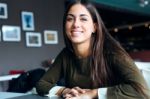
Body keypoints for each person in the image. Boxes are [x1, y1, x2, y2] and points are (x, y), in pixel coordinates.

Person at [36, 0, 150, 99]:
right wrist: (65, 91)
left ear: (94, 27)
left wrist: (93, 93)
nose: (76, 24)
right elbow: (42, 84)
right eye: (70, 19)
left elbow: (142, 91)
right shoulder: (66, 54)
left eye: (83, 19)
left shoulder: (111, 52)